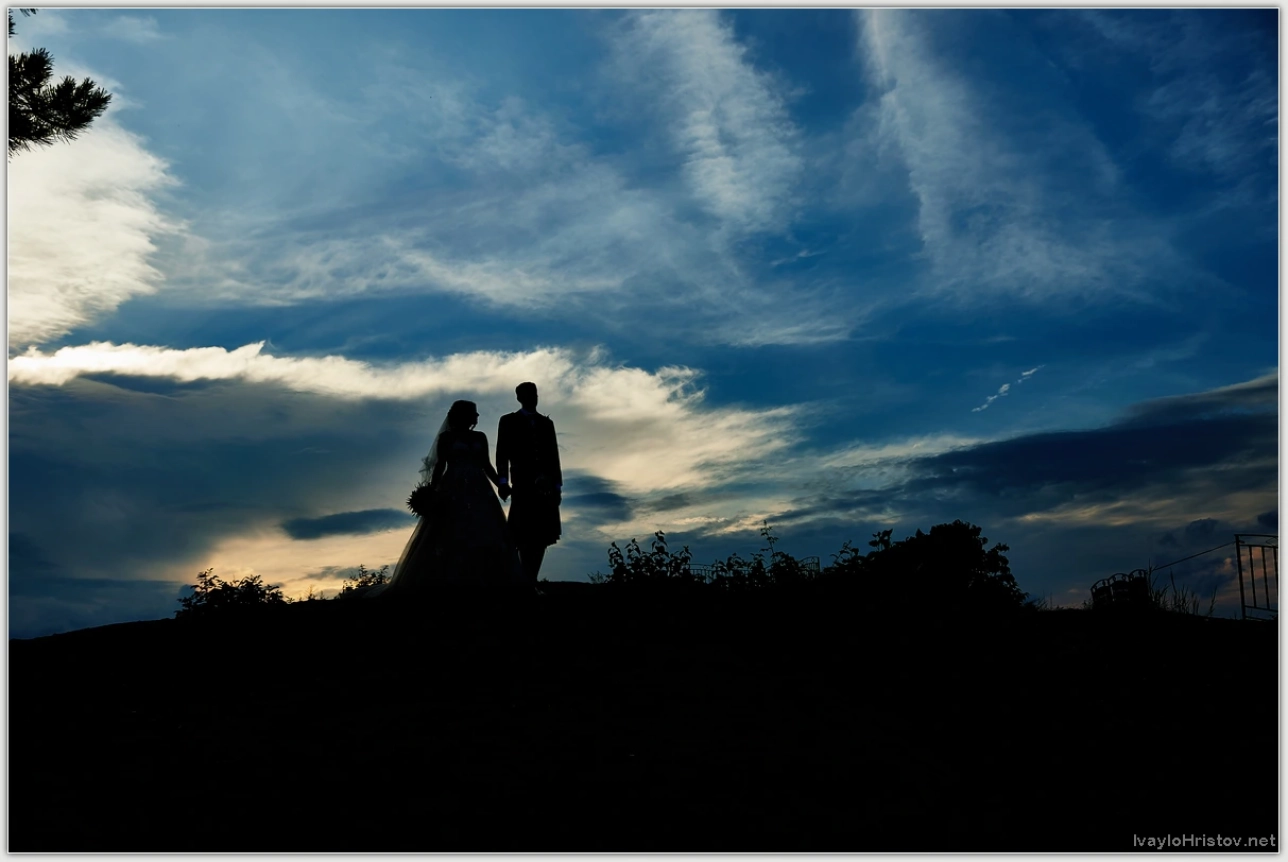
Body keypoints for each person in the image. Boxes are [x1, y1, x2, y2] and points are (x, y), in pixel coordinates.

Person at [367, 399, 525, 597]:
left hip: (479, 488)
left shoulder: (480, 437)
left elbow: (486, 464)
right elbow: (440, 466)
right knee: (450, 531)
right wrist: (432, 491)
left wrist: (501, 484)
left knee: (483, 528)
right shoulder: (446, 438)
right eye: (473, 413)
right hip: (453, 486)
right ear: (462, 416)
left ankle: (486, 579)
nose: (476, 417)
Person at [496, 382, 563, 584]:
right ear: (519, 398)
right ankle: (521, 579)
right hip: (522, 485)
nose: (532, 397)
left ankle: (530, 579)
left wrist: (557, 486)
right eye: (527, 394)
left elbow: (554, 456)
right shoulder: (508, 421)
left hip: (546, 487)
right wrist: (502, 482)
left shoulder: (546, 423)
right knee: (521, 533)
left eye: (534, 393)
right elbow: (502, 453)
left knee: (541, 535)